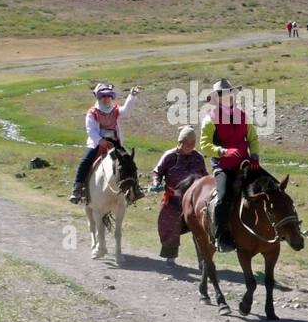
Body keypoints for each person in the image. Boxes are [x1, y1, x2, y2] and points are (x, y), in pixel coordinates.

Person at [198, 78, 260, 252]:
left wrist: (254, 155)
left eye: (231, 94)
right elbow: (205, 146)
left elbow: (253, 138)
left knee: (270, 187)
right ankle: (220, 236)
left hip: (245, 163)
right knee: (224, 197)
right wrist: (223, 152)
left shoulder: (242, 115)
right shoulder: (210, 120)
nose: (230, 97)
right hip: (223, 166)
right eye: (225, 95)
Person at [69, 82, 139, 203]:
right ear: (98, 97)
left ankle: (135, 189)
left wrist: (131, 96)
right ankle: (78, 189)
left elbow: (126, 110)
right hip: (98, 143)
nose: (106, 99)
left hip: (114, 143)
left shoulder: (115, 110)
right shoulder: (92, 112)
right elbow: (90, 130)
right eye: (103, 96)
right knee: (85, 161)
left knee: (128, 162)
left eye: (108, 96)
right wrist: (101, 141)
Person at [150, 126, 208, 263]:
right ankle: (171, 257)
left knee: (199, 230)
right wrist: (156, 182)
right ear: (180, 142)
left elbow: (204, 176)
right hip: (173, 199)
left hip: (193, 201)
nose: (190, 146)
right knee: (169, 227)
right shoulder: (169, 156)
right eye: (187, 143)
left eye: (193, 144)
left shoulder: (198, 157)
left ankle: (203, 261)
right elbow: (157, 172)